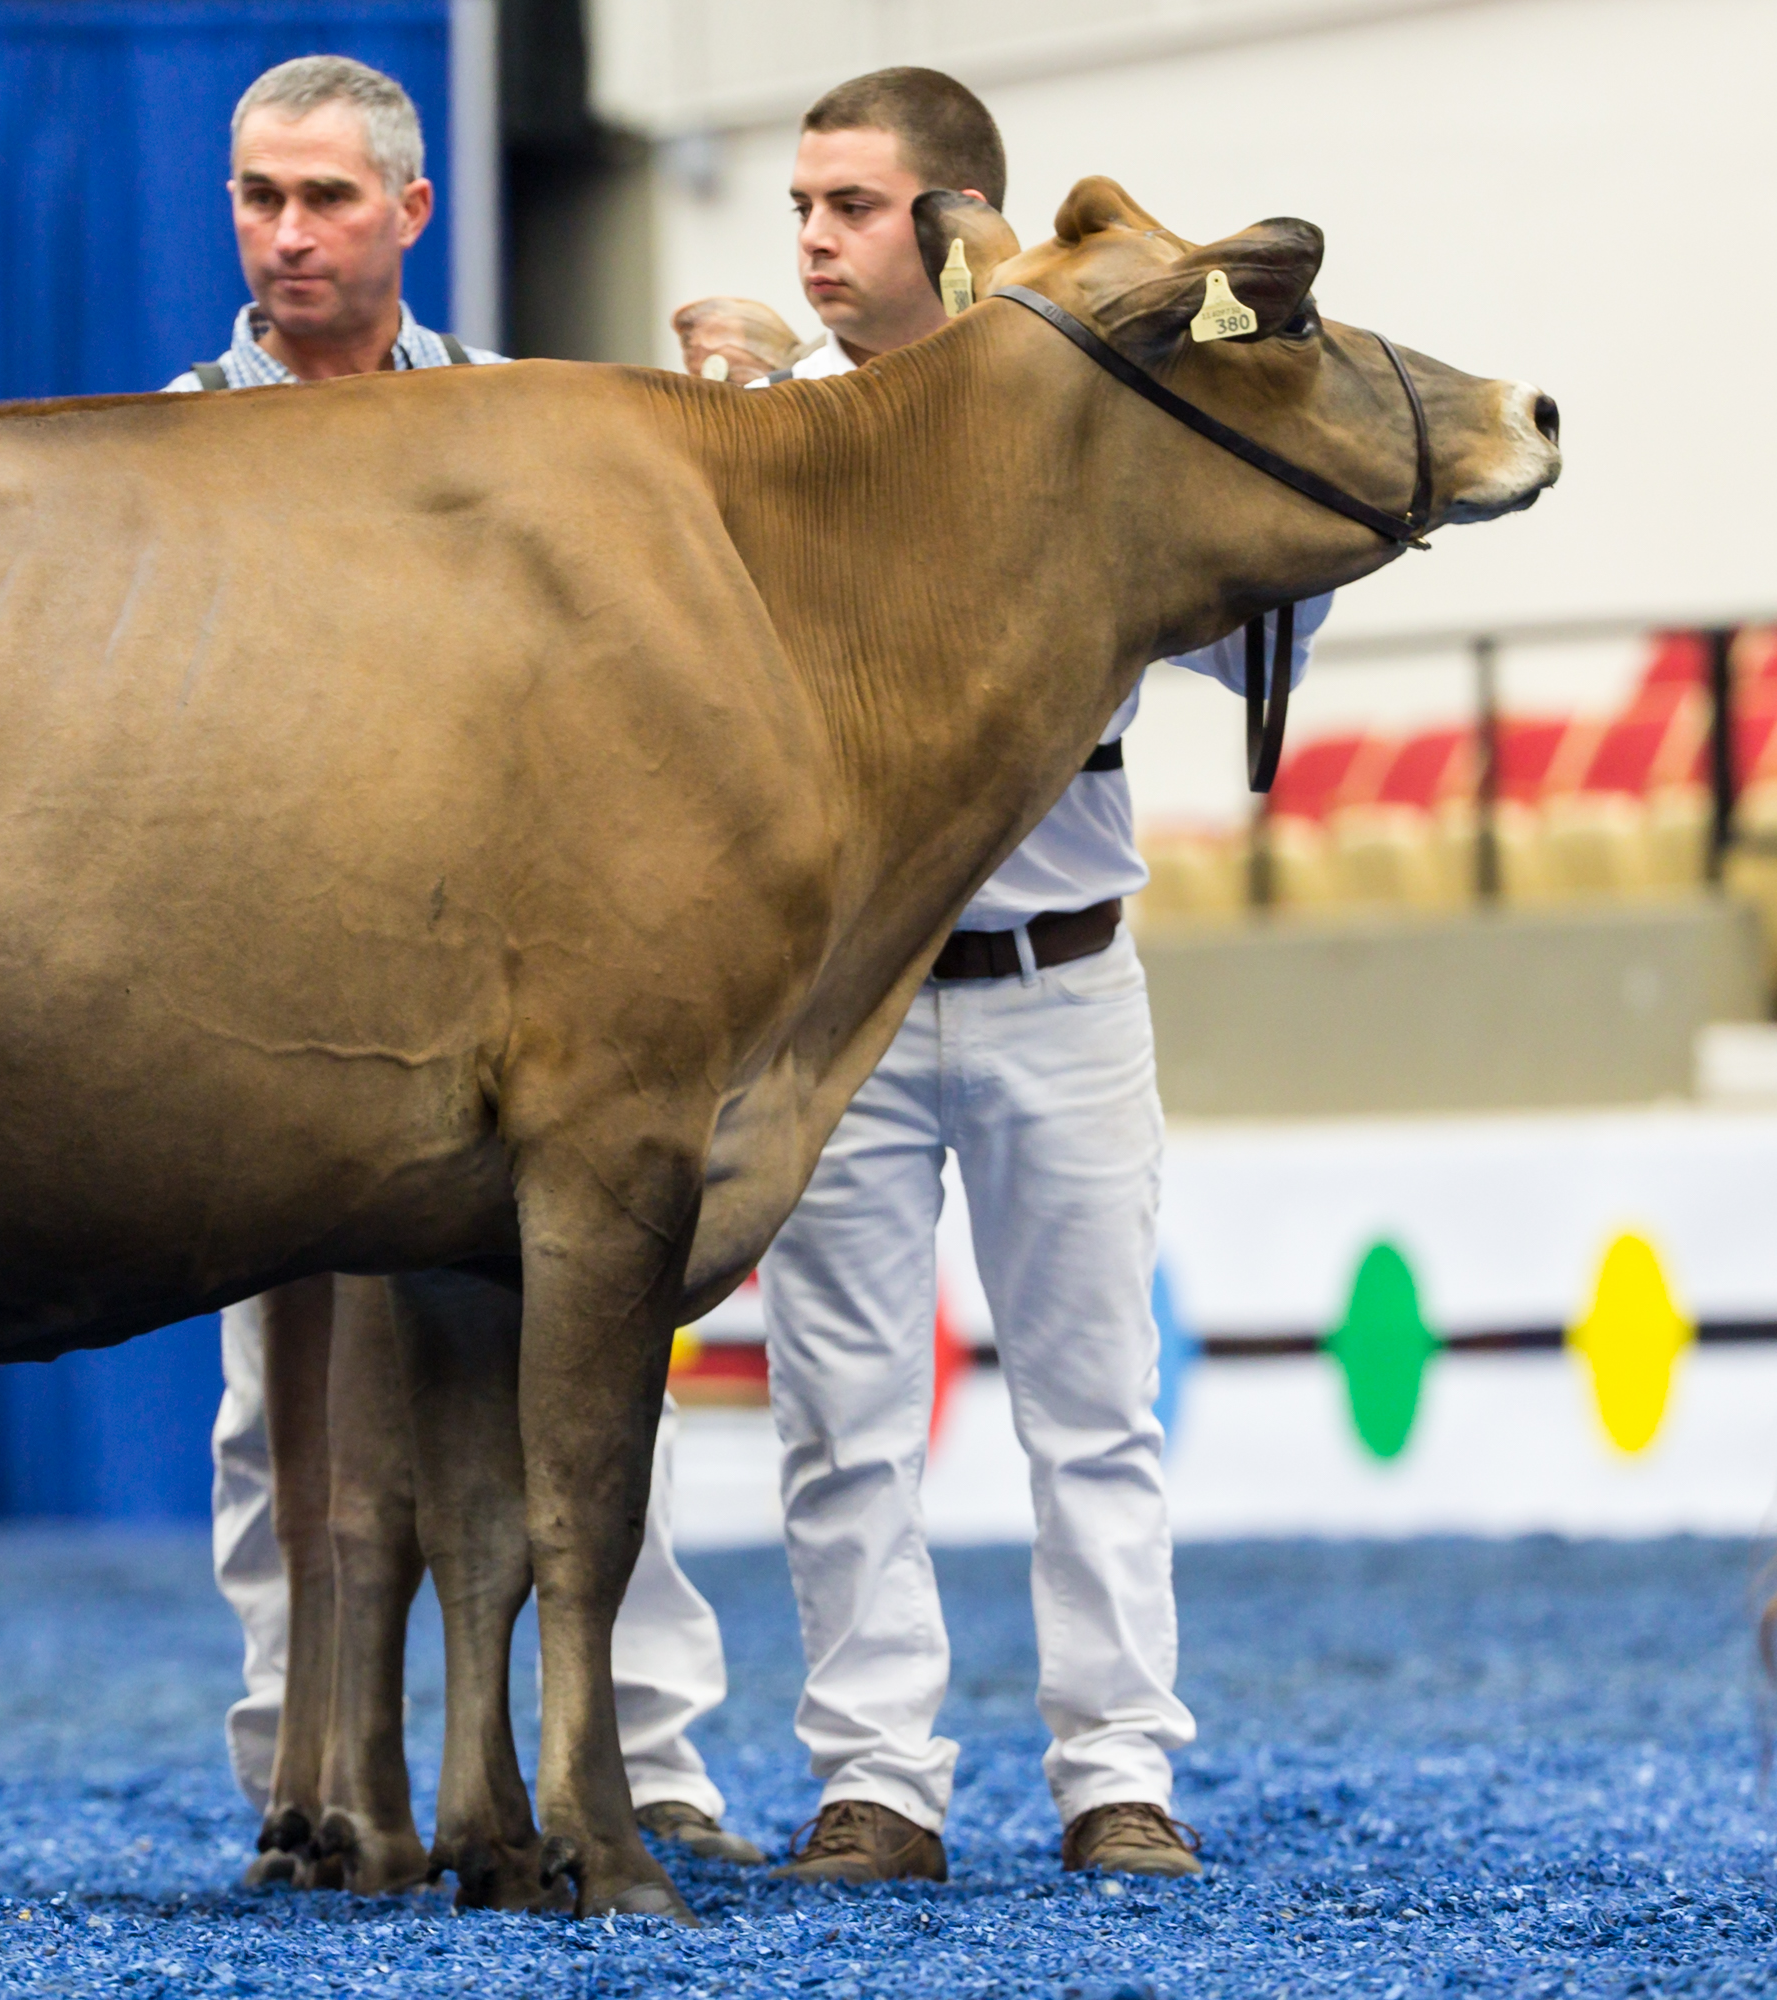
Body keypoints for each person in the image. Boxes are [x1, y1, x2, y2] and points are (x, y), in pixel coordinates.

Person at [676, 66, 1323, 1884]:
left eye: (852, 207)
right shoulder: (765, 436)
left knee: (1094, 1406)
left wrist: (1236, 396)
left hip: (1065, 976)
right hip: (847, 998)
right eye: (800, 208)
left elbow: (1273, 625)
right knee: (841, 1414)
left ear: (959, 219)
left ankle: (1120, 1773)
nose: (813, 240)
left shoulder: (1088, 412)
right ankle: (875, 1780)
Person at [182, 53, 765, 1867]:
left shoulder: (521, 422)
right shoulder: (167, 443)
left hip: (502, 978)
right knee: (273, 1406)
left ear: (411, 212)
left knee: (584, 1358)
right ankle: (302, 1773)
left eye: (326, 198)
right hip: (258, 980)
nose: (289, 234)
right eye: (261, 197)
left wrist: (737, 409)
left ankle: (646, 1757)